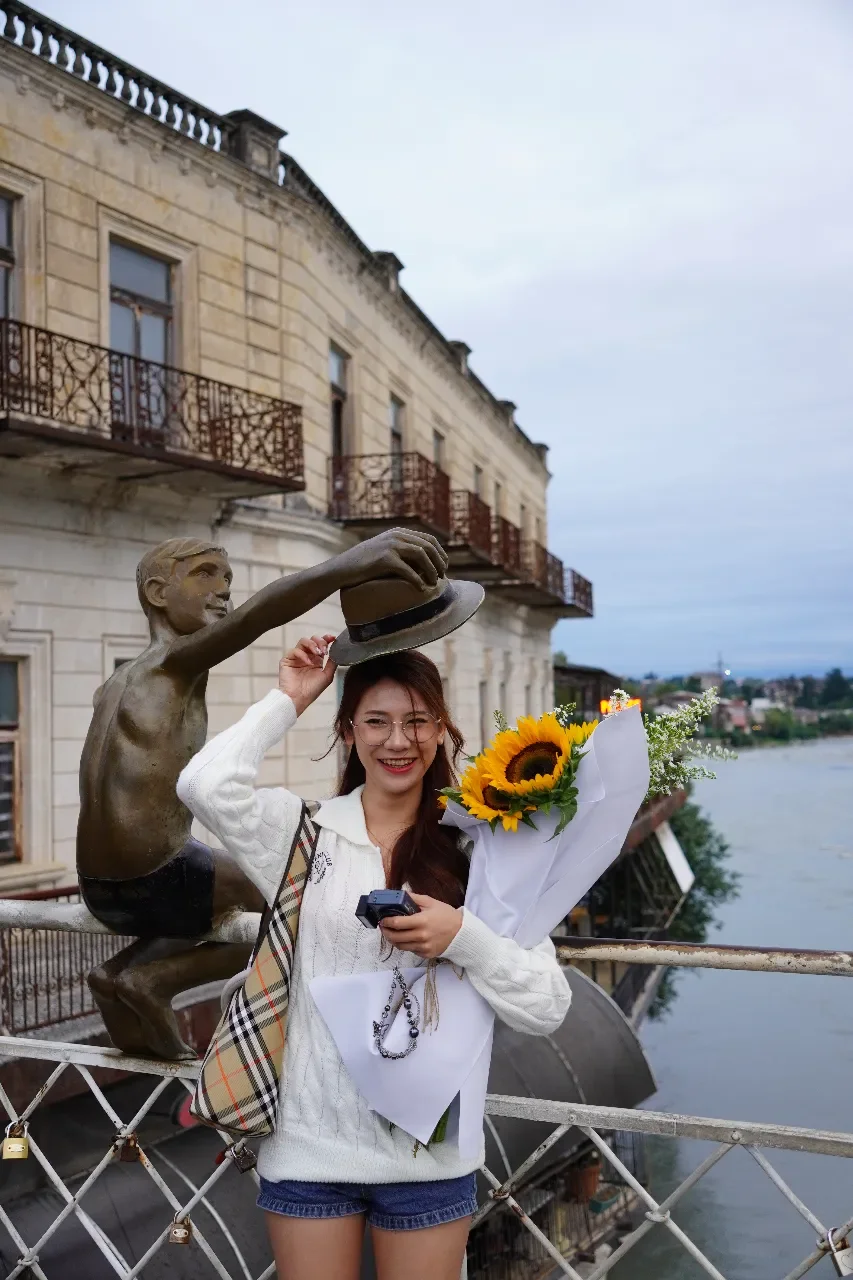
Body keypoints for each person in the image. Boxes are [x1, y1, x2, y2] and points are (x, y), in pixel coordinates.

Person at [177, 635, 572, 1280]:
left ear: (442, 730)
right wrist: (289, 696)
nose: (398, 740)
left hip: (430, 1154)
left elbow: (548, 1007)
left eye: (417, 721)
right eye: (377, 721)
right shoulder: (302, 833)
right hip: (309, 1147)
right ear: (349, 731)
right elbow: (202, 783)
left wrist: (463, 938)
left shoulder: (482, 853)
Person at [77, 527, 447, 1061]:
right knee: (286, 905)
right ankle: (153, 983)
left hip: (97, 886)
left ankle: (114, 978)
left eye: (226, 577)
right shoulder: (171, 664)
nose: (224, 590)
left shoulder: (116, 682)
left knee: (222, 890)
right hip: (152, 876)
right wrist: (348, 565)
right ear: (158, 593)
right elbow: (259, 615)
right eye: (205, 575)